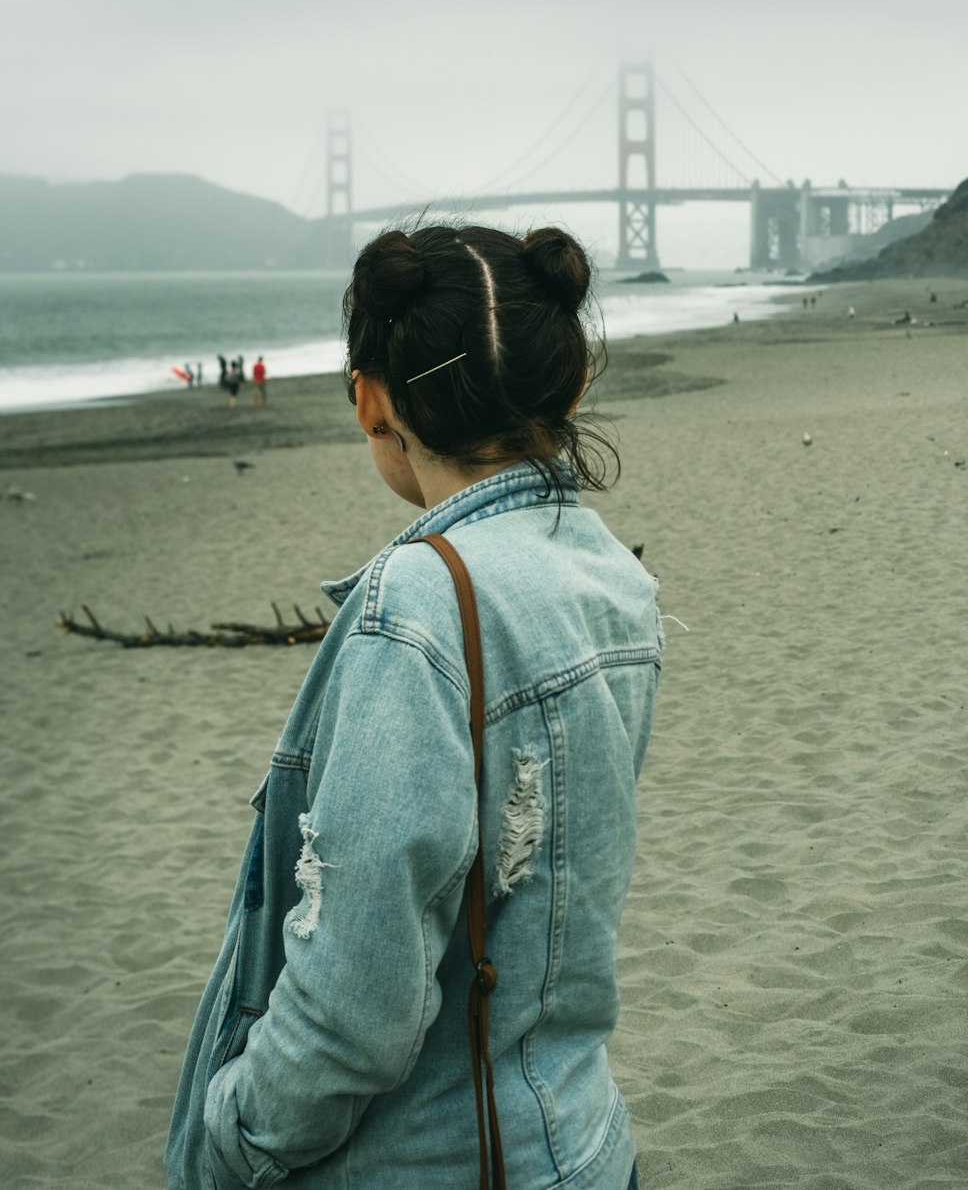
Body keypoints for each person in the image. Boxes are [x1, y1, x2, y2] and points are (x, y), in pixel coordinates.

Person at [166, 224, 660, 1190]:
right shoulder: (609, 574)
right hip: (587, 1143)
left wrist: (228, 1136)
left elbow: (354, 1008)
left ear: (370, 401)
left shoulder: (419, 606)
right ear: (567, 386)